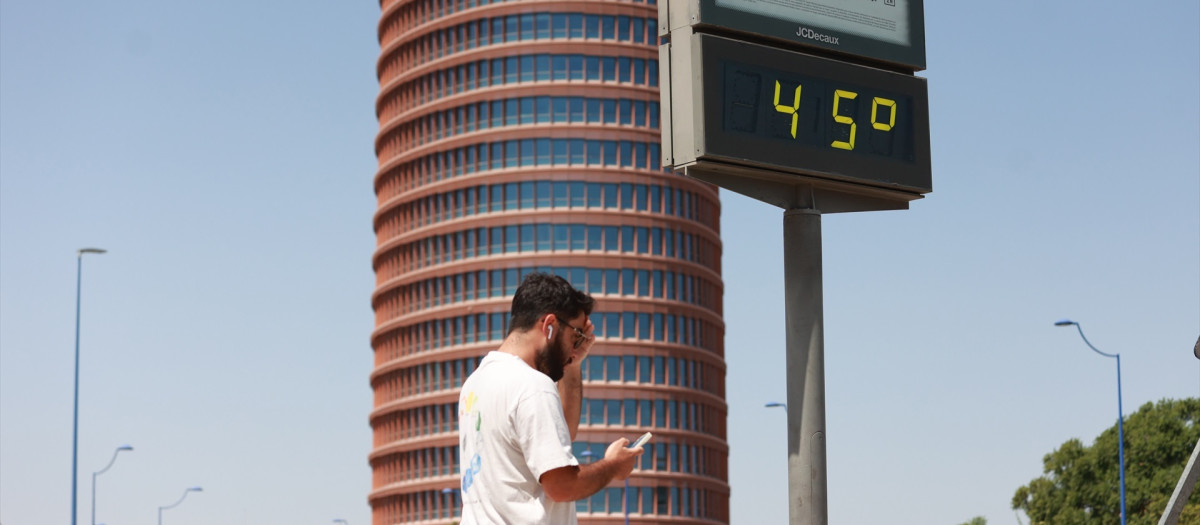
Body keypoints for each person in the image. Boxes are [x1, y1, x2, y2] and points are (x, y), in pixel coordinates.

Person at [457, 272, 643, 524]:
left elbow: (558, 435)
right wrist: (612, 466)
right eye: (576, 335)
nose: (575, 346)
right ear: (550, 326)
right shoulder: (532, 385)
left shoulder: (475, 383)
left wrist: (572, 366)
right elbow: (562, 486)